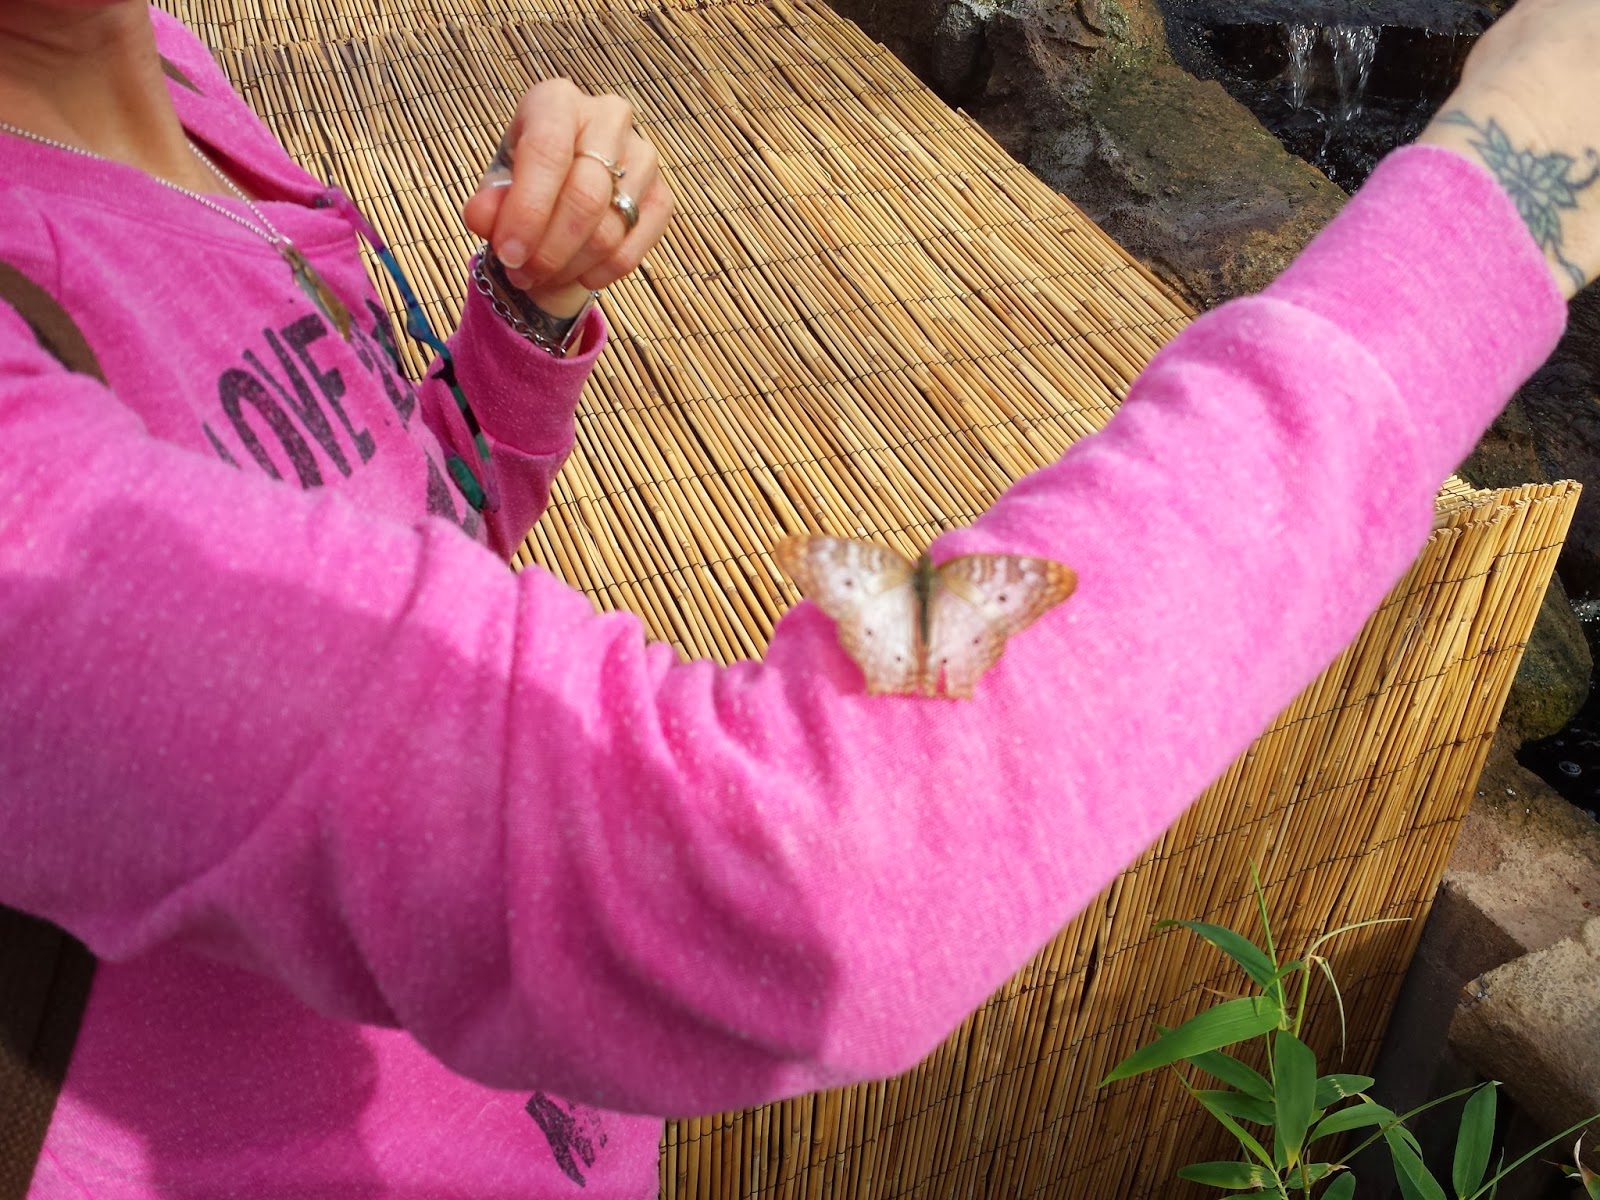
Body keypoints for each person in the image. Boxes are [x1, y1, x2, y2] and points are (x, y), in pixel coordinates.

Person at [0, 0, 1594, 1194]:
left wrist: (525, 323)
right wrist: (1509, 192)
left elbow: (383, 531)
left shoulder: (161, 72)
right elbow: (801, 863)